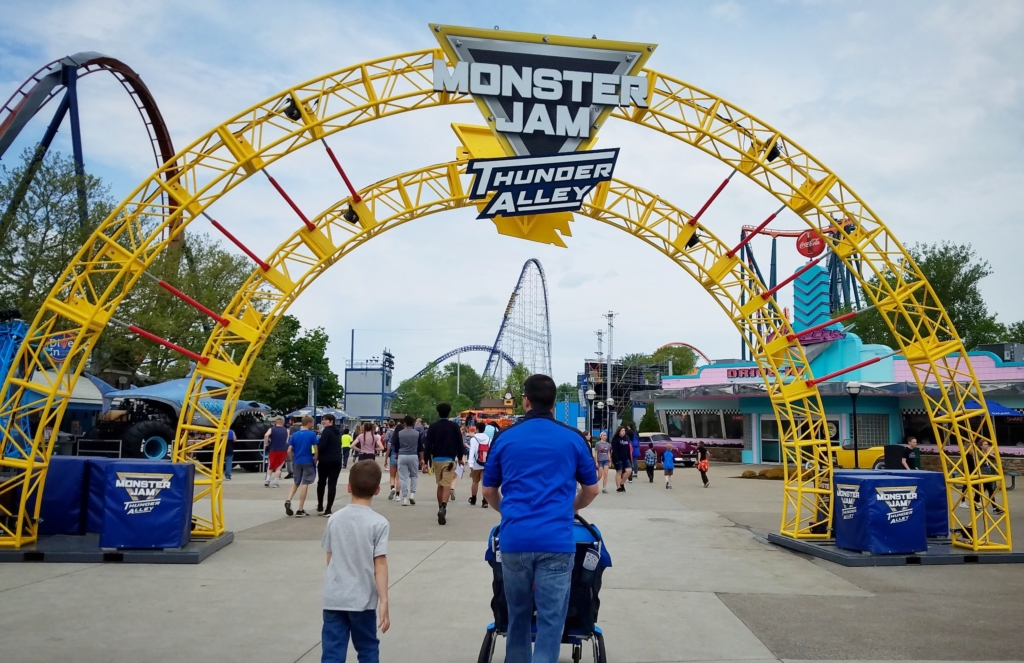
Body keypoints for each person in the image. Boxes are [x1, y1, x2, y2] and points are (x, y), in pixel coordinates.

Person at [482, 374, 599, 663]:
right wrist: (570, 509)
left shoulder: (505, 437)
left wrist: (507, 512)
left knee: (518, 616)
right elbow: (592, 489)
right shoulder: (573, 438)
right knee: (551, 618)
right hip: (556, 542)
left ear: (525, 400)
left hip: (515, 540)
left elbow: (488, 490)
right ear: (555, 402)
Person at [320, 460, 389, 663]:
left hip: (334, 598)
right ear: (377, 490)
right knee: (367, 648)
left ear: (349, 487)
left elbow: (330, 556)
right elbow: (380, 564)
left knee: (332, 652)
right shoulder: (379, 523)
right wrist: (384, 600)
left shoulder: (334, 518)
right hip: (363, 600)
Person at [423, 403, 465, 525]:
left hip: (437, 459)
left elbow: (428, 444)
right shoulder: (454, 426)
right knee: (447, 484)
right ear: (449, 412)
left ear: (438, 412)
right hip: (449, 459)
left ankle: (439, 506)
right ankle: (444, 507)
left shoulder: (433, 427)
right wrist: (461, 457)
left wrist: (426, 461)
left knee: (440, 484)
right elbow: (459, 443)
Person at [285, 415, 318, 517]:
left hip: (297, 461)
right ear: (309, 423)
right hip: (308, 460)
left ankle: (288, 499)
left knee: (296, 482)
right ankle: (300, 509)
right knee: (305, 483)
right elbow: (316, 450)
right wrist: (315, 459)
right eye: (312, 423)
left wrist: (292, 459)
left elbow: (289, 450)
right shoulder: (312, 435)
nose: (312, 425)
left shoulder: (295, 435)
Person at [317, 413, 344, 516]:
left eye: (325, 420)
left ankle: (320, 505)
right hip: (336, 459)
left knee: (321, 483)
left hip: (325, 460)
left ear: (331, 421)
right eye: (323, 420)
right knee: (332, 484)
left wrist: (316, 451)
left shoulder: (326, 431)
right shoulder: (338, 432)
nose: (323, 421)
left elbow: (322, 445)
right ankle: (328, 509)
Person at [394, 416, 421, 506]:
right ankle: (412, 494)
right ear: (413, 423)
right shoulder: (417, 433)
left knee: (403, 478)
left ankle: (405, 498)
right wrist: (422, 459)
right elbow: (420, 448)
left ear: (404, 423)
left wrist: (397, 455)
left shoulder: (400, 433)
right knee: (414, 476)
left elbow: (396, 446)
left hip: (402, 455)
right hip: (413, 455)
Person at [466, 421, 489, 508]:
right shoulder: (488, 439)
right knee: (484, 482)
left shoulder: (474, 439)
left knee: (475, 482)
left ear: (477, 429)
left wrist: (470, 463)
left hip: (476, 464)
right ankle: (485, 501)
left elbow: (472, 451)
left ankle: (473, 499)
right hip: (486, 463)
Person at [264, 416, 290, 488]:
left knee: (270, 465)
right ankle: (275, 482)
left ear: (275, 422)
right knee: (279, 467)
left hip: (273, 449)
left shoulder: (272, 429)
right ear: (283, 423)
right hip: (282, 450)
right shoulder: (286, 430)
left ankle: (268, 480)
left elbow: (266, 435)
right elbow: (287, 441)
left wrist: (266, 444)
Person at [611, 426, 632, 492]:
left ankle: (622, 482)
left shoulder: (626, 438)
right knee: (619, 472)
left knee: (629, 470)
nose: (623, 432)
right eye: (622, 430)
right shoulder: (615, 439)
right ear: (619, 431)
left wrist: (629, 457)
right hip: (618, 458)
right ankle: (618, 487)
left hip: (626, 458)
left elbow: (628, 449)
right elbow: (614, 450)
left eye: (624, 430)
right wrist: (615, 459)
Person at [385, 423, 402, 501]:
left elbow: (388, 449)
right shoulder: (403, 438)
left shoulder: (392, 438)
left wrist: (385, 460)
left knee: (392, 476)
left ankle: (392, 488)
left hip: (392, 457)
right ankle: (398, 496)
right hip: (401, 458)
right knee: (399, 478)